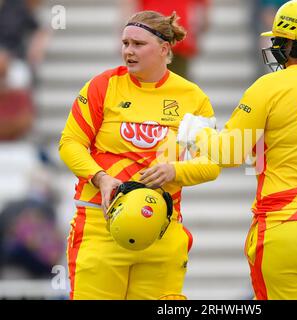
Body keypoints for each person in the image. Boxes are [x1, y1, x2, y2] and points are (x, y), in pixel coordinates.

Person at [142, 0, 297, 299]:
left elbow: (230, 153)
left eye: (280, 40)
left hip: (290, 228)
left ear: (294, 43)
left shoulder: (269, 87)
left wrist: (197, 134)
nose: (276, 46)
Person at [58, 10, 220, 300]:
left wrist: (175, 172)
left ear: (164, 49)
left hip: (161, 229)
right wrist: (101, 178)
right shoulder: (102, 86)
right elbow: (70, 143)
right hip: (100, 225)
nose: (128, 51)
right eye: (125, 43)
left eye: (138, 44)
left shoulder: (192, 97)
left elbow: (211, 164)